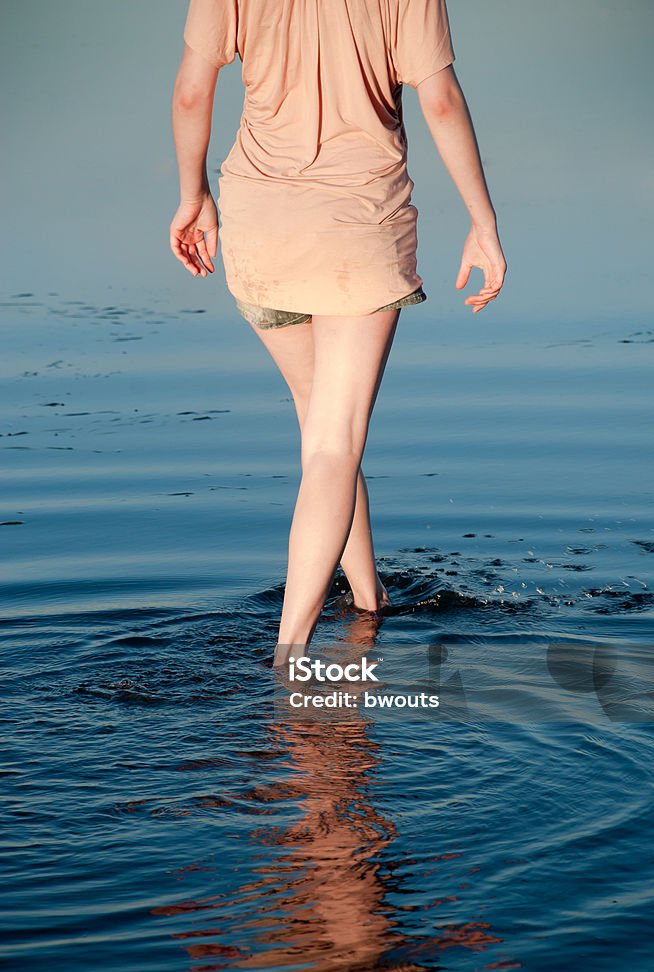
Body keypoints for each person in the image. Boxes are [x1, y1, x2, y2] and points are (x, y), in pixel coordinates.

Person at [170, 0, 507, 667]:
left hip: (261, 225)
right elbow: (439, 100)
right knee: (333, 446)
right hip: (359, 227)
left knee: (322, 433)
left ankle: (367, 603)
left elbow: (190, 89)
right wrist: (483, 222)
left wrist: (192, 196)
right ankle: (289, 658)